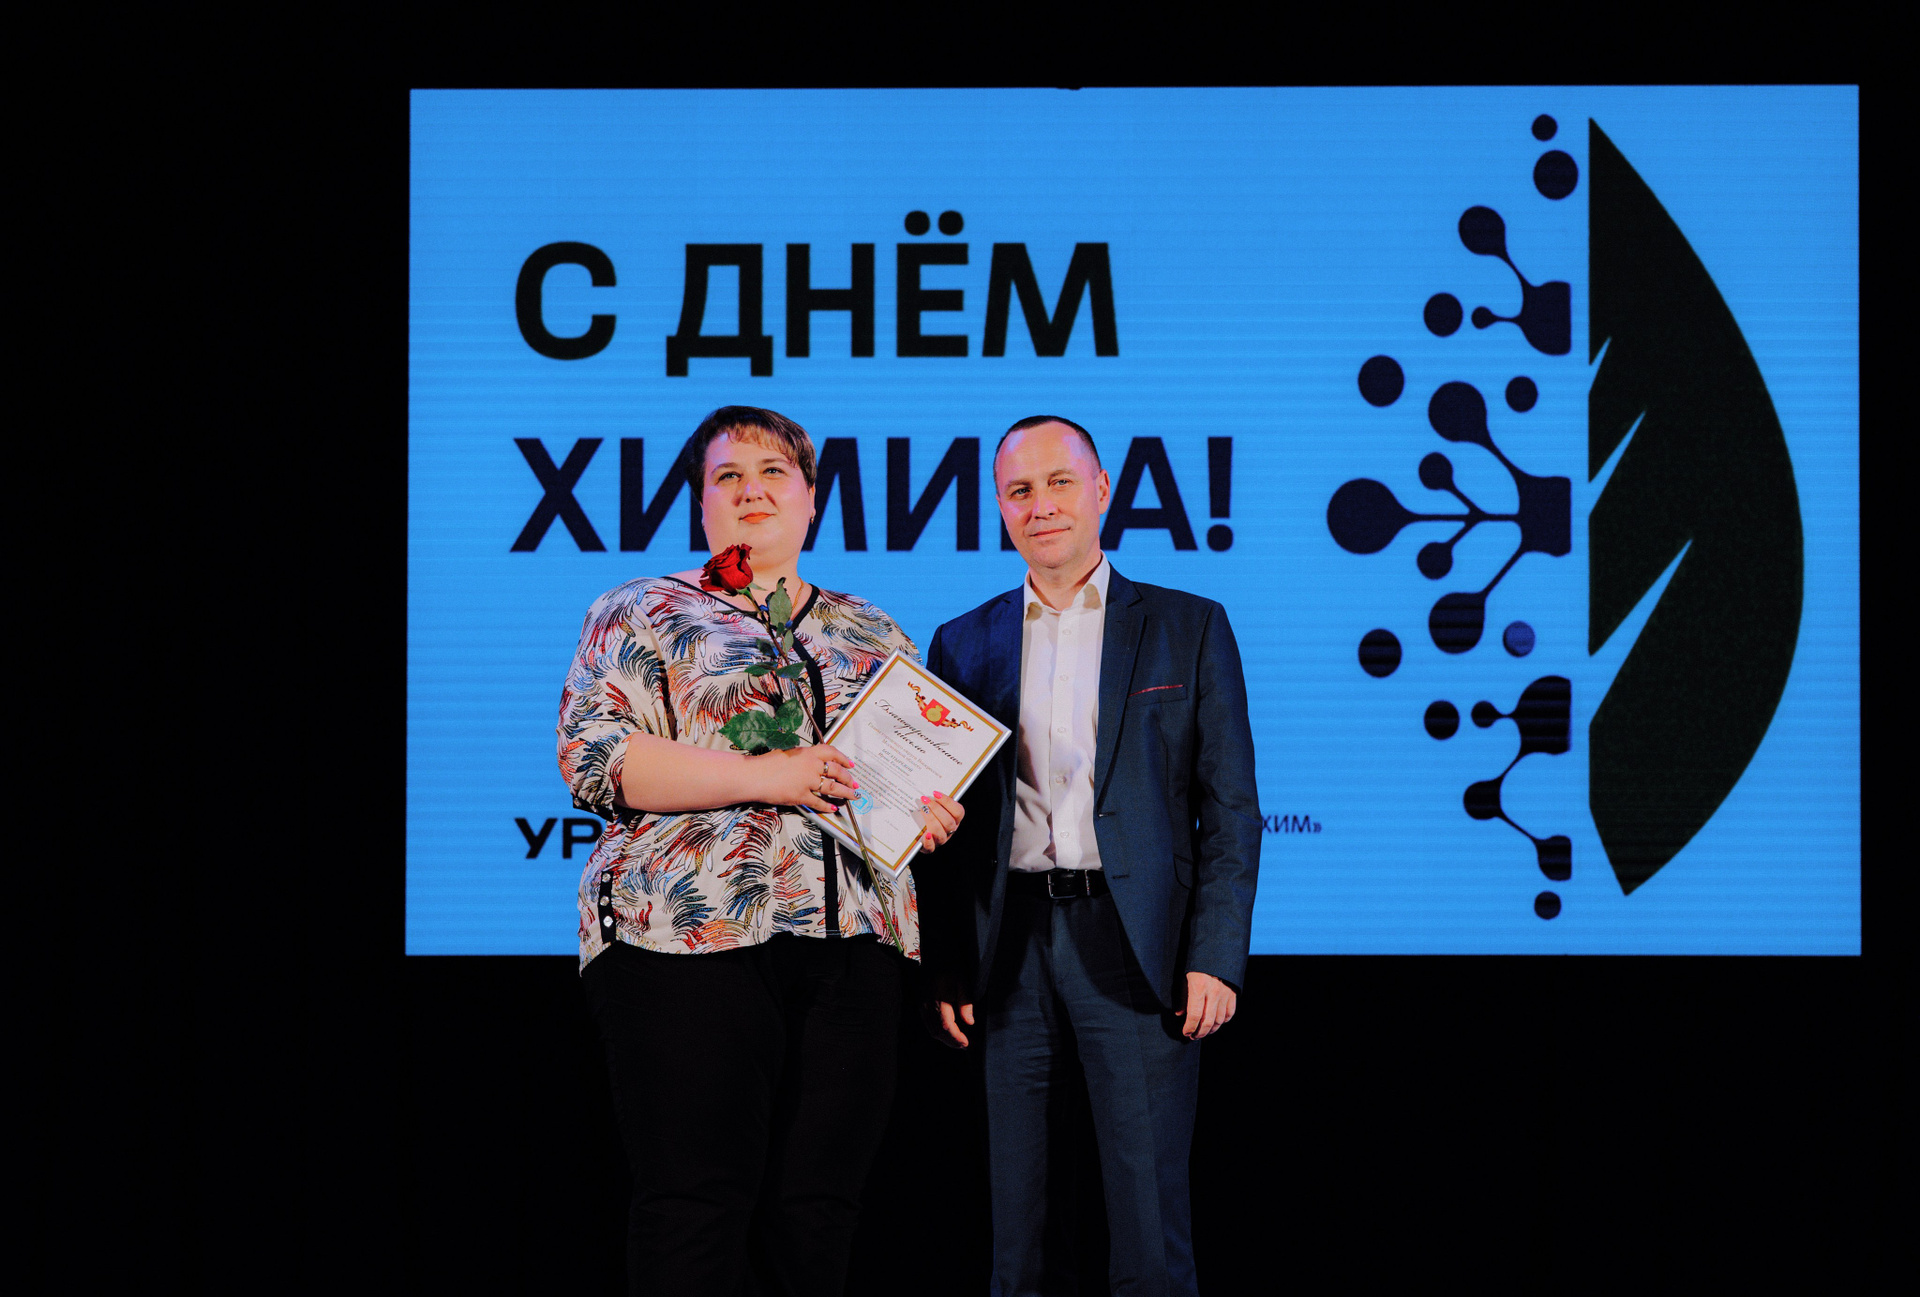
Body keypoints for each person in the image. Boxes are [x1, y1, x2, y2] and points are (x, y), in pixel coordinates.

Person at [558, 405, 964, 1297]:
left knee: (817, 1216)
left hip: (855, 943)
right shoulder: (641, 608)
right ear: (701, 503)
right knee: (695, 1206)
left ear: (812, 498)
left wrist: (930, 812)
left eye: (774, 472)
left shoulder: (872, 629)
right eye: (728, 477)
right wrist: (767, 774)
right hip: (684, 937)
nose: (752, 491)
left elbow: (906, 775)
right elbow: (596, 758)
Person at [921, 415, 1261, 1296]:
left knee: (1149, 1227)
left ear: (1102, 490)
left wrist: (1215, 955)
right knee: (1016, 1231)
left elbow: (1230, 809)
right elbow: (944, 827)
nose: (1040, 505)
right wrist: (949, 960)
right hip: (1008, 949)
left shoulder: (1188, 625)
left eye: (1059, 482)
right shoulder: (962, 641)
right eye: (1019, 490)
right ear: (1001, 507)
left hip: (1137, 942)